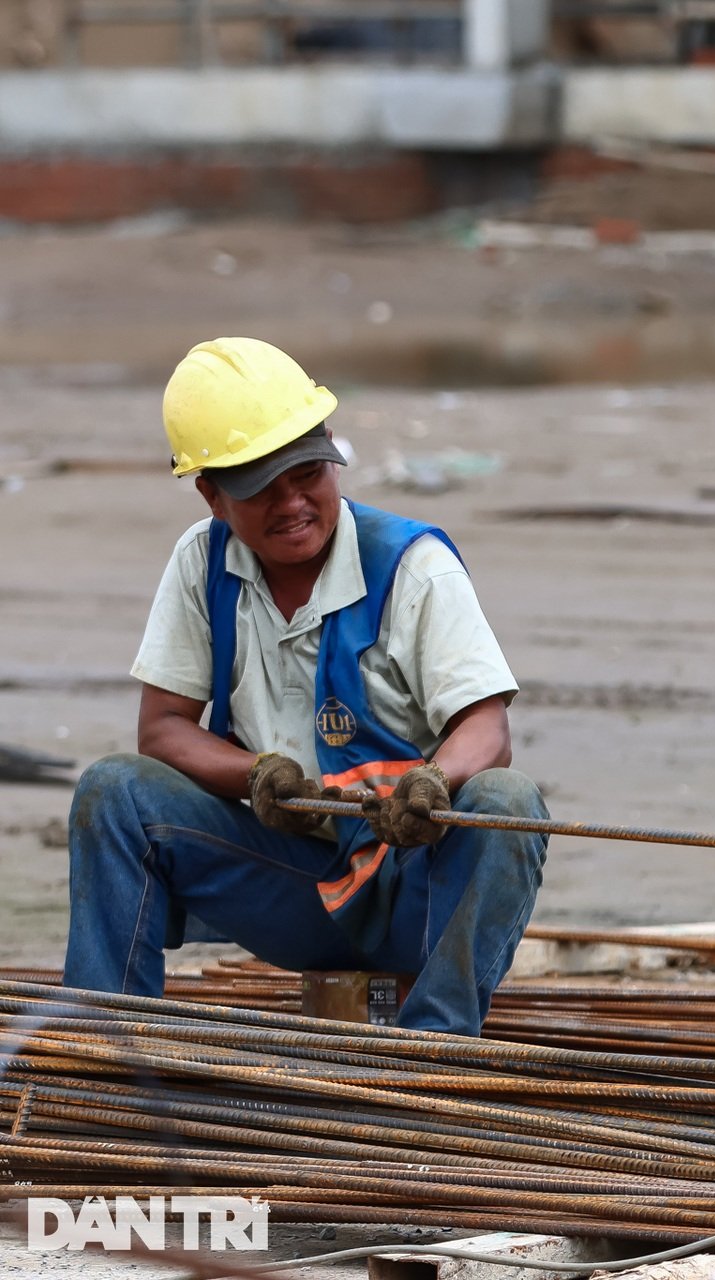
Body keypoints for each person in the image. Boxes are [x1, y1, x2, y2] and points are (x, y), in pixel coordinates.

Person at [63, 336, 546, 1036]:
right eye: (262, 488)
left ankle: (435, 1051)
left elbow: (487, 727)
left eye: (307, 475)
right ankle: (112, 1050)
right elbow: (162, 728)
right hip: (289, 883)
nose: (293, 504)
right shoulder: (202, 564)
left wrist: (432, 783)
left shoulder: (414, 566)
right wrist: (255, 773)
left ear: (330, 454)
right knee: (113, 791)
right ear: (213, 496)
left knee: (510, 801)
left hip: (413, 885)